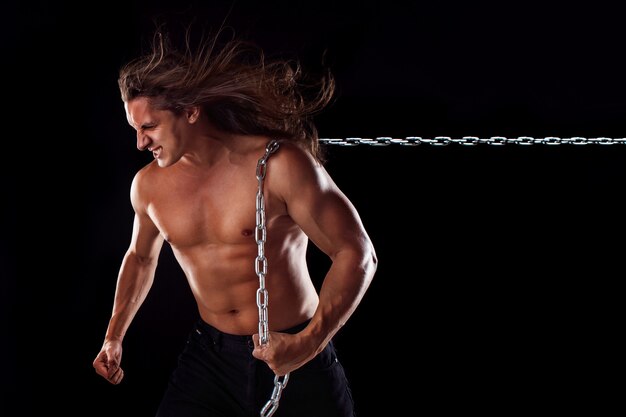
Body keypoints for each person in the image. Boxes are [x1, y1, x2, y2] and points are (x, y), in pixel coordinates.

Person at [92, 27, 377, 417]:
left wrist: (309, 343)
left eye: (149, 127)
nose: (140, 143)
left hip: (294, 345)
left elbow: (357, 253)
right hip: (209, 356)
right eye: (134, 129)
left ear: (191, 112)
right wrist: (113, 336)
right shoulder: (148, 187)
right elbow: (140, 258)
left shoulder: (280, 165)